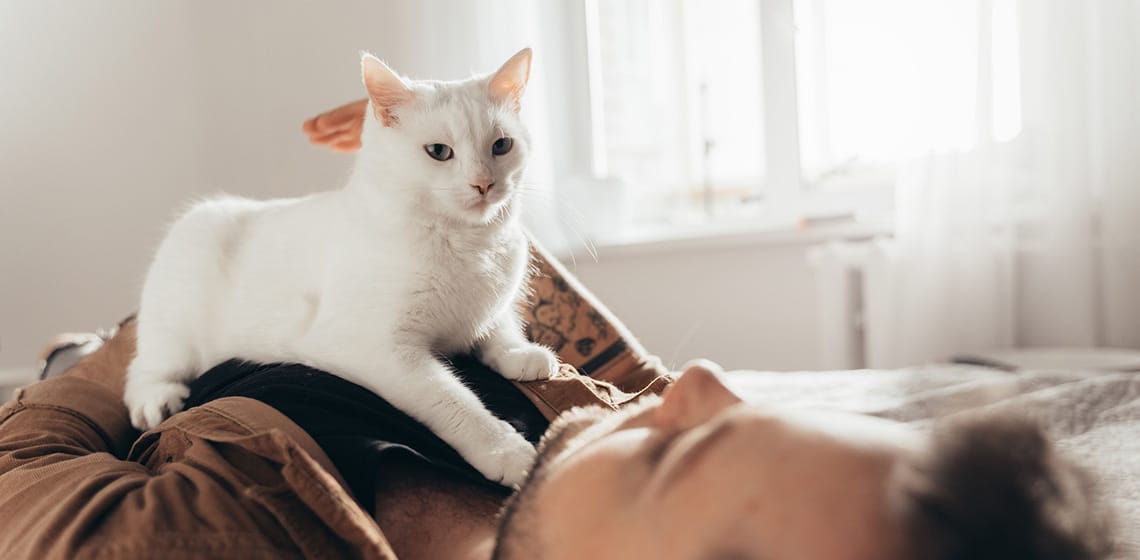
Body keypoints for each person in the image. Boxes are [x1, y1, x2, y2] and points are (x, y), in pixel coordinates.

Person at [0, 100, 1116, 560]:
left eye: (688, 448)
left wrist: (151, 334)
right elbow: (605, 357)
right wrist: (421, 224)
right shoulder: (584, 464)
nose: (699, 385)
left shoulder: (201, 530)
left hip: (118, 375)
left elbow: (26, 457)